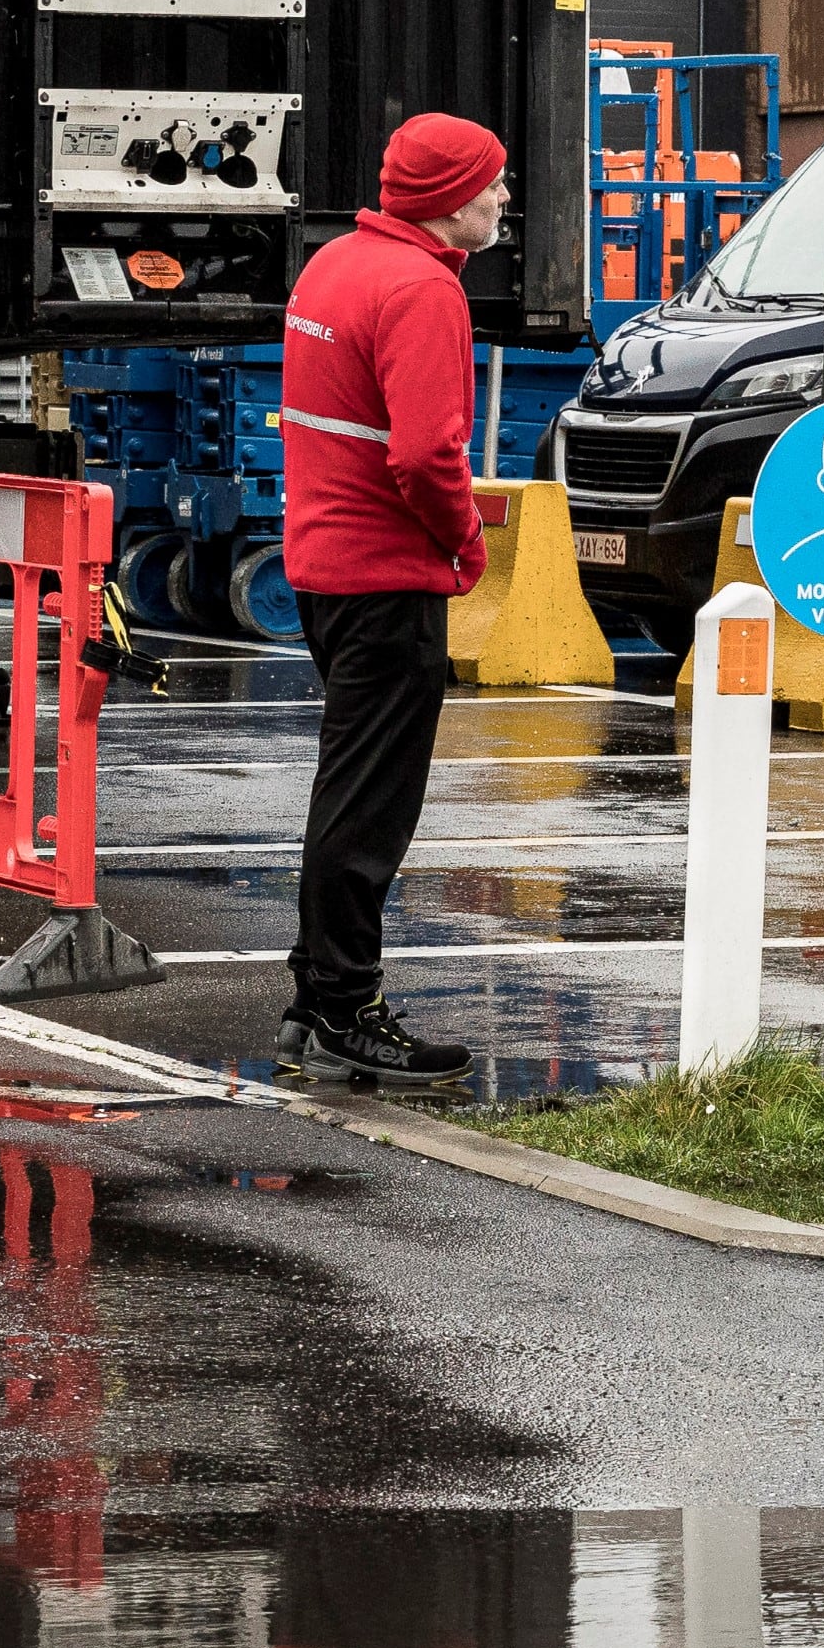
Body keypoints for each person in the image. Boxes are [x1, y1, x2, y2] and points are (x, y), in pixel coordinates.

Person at [269, 110, 509, 1087]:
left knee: (345, 790)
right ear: (452, 197)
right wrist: (465, 539)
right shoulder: (422, 291)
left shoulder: (334, 265)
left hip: (323, 567)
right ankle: (343, 1007)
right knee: (368, 809)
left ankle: (315, 996)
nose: (503, 199)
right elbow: (422, 451)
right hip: (390, 576)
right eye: (493, 183)